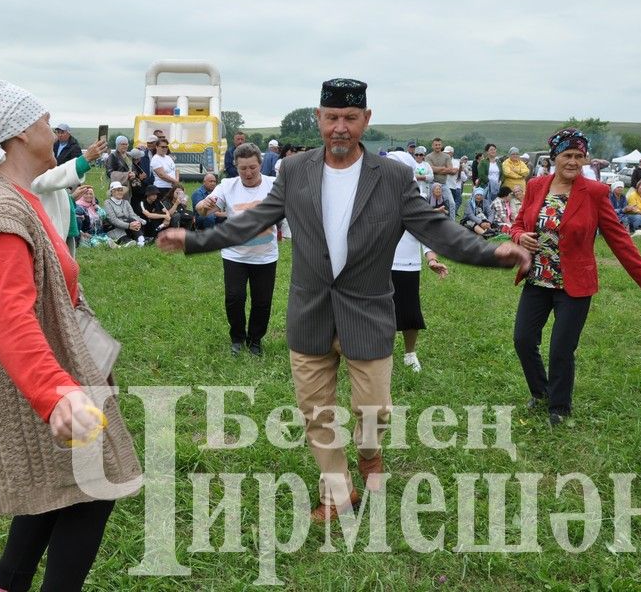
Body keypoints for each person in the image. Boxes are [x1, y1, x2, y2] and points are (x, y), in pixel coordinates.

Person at [159, 78, 530, 521]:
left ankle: (369, 454)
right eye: (332, 117)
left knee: (374, 411)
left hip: (368, 312)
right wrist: (197, 240)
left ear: (365, 121)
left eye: (350, 118)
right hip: (310, 311)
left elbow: (436, 228)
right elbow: (254, 219)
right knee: (316, 413)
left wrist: (492, 253)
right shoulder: (295, 172)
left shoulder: (392, 177)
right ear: (319, 118)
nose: (340, 127)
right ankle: (338, 492)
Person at [0, 80, 140, 592]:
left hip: (40, 377)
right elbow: (10, 318)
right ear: (16, 135)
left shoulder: (7, 196)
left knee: (52, 495)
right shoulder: (0, 214)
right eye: (43, 120)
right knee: (92, 487)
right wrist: (56, 394)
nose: (51, 127)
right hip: (32, 387)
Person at [510, 127, 641, 426]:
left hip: (575, 284)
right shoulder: (536, 186)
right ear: (554, 158)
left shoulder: (596, 193)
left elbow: (619, 238)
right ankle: (541, 391)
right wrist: (520, 235)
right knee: (523, 339)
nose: (573, 162)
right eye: (567, 155)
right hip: (538, 278)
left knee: (561, 349)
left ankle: (559, 408)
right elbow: (519, 223)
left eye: (579, 156)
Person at [195, 142, 278, 357]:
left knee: (262, 302)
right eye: (243, 168)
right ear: (236, 167)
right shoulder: (227, 186)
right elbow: (202, 209)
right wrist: (204, 206)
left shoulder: (274, 185)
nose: (248, 172)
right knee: (234, 298)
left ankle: (255, 341)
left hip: (265, 256)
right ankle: (237, 338)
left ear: (261, 164)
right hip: (235, 255)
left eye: (253, 167)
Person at [392, 232, 448, 372]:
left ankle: (410, 354)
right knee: (380, 312)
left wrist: (432, 260)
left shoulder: (417, 209)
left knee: (411, 312)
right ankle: (382, 355)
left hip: (408, 265)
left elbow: (426, 236)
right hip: (379, 264)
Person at [103, 181, 145, 246]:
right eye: (117, 190)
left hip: (129, 225)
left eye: (121, 190)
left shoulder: (126, 202)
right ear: (112, 192)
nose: (120, 192)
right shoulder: (107, 203)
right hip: (114, 227)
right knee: (131, 221)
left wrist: (139, 221)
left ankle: (141, 239)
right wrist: (128, 225)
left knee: (135, 220)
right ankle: (139, 240)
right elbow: (113, 220)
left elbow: (132, 215)